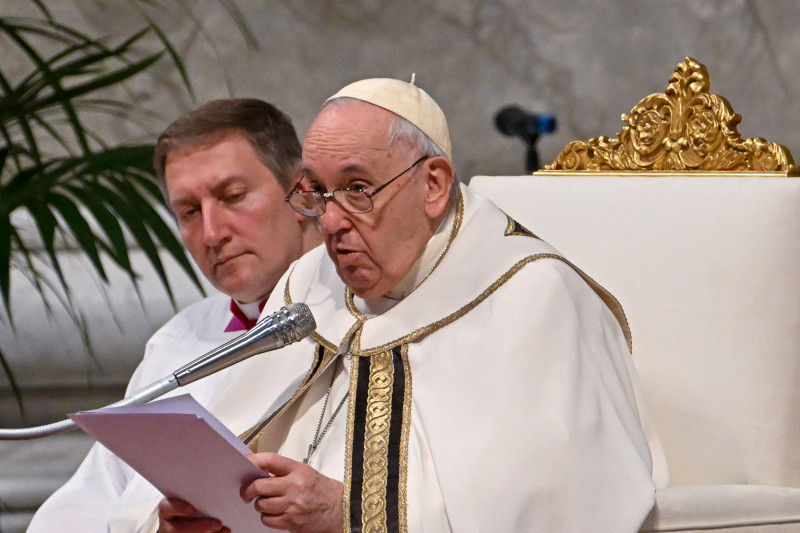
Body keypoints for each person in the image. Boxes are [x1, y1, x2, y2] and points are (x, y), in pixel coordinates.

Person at [157, 78, 667, 533]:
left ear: (434, 185)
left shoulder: (532, 297)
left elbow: (563, 502)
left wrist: (348, 513)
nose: (330, 223)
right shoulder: (309, 286)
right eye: (318, 193)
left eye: (357, 189)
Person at [26, 98, 321, 532]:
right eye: (188, 212)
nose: (212, 233)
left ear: (302, 192)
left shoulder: (366, 321)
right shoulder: (177, 340)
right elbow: (88, 502)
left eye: (233, 196)